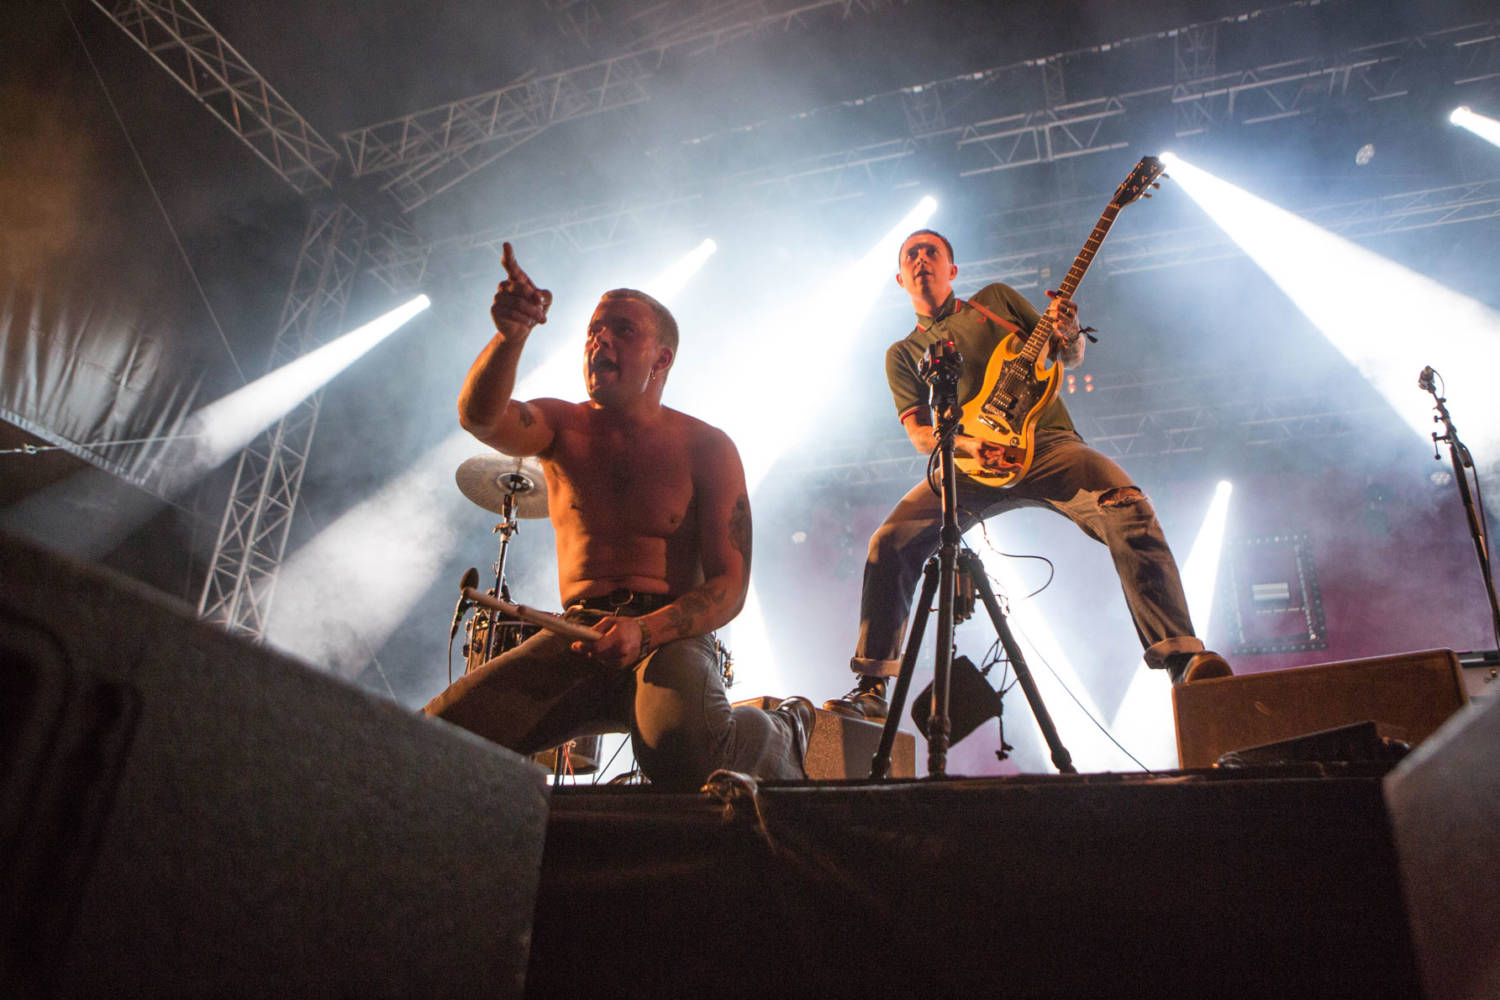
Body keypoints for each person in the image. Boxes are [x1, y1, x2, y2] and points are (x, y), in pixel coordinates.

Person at [425, 243, 813, 789]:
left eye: (622, 330)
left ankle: (774, 730)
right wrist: (511, 337)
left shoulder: (707, 447)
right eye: (593, 330)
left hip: (669, 637)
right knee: (433, 737)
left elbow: (730, 586)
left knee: (681, 757)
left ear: (662, 358)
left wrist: (645, 630)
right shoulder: (564, 425)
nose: (598, 340)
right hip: (579, 630)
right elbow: (480, 418)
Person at [825, 229, 1229, 722]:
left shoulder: (996, 302)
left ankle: (1183, 659)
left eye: (933, 251)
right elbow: (922, 436)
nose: (921, 258)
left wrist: (1070, 331)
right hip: (965, 465)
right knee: (889, 541)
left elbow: (1068, 355)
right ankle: (871, 688)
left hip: (1051, 446)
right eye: (911, 253)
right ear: (899, 277)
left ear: (953, 270)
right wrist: (968, 445)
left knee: (1127, 504)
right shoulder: (902, 353)